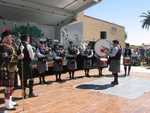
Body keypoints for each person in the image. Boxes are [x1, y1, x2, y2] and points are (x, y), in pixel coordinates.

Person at [0, 30, 18, 110]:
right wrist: (16, 58)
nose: (10, 39)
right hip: (6, 69)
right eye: (9, 37)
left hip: (12, 68)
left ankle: (9, 100)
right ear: (5, 38)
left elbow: (13, 55)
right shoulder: (2, 46)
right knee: (8, 87)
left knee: (12, 86)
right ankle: (7, 104)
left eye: (10, 37)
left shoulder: (10, 46)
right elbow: (4, 58)